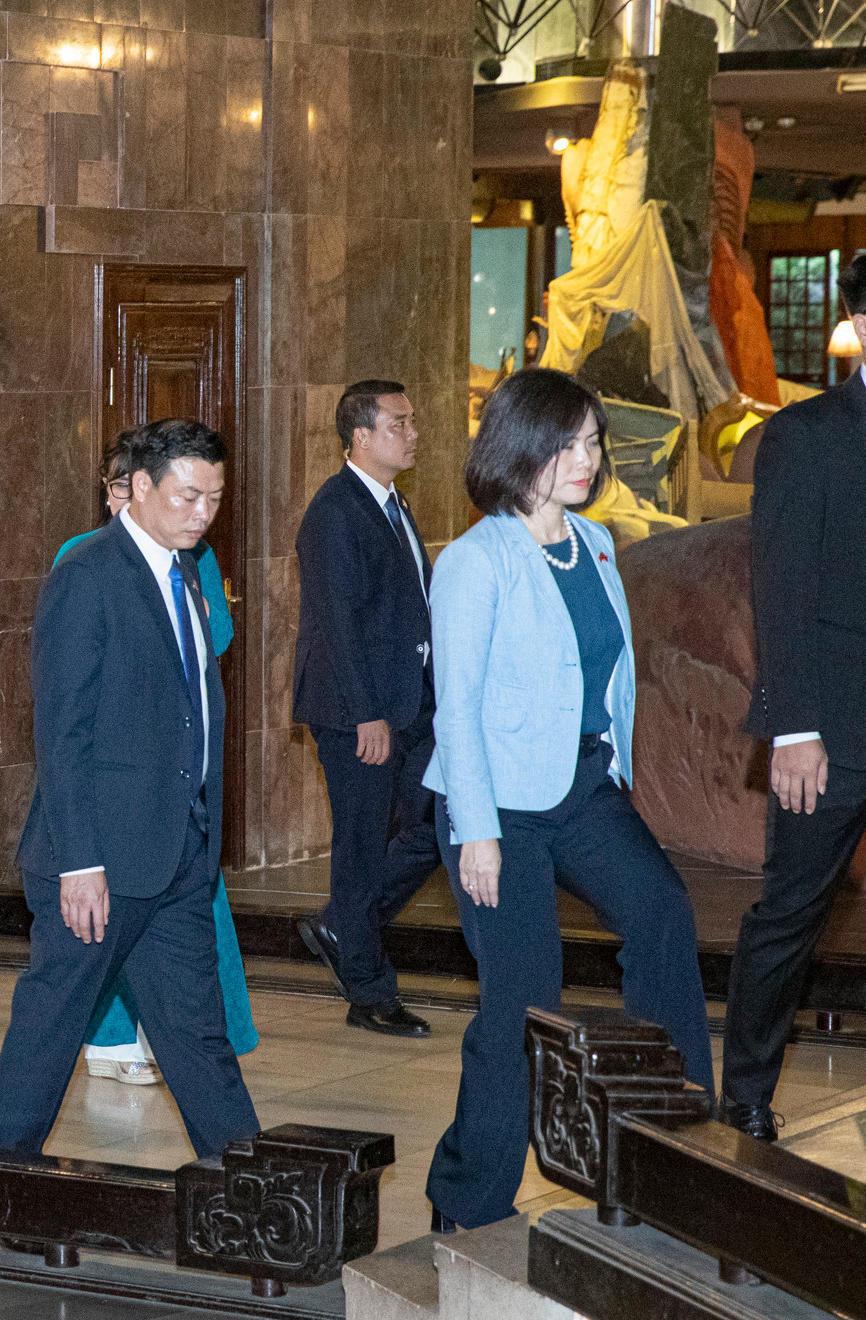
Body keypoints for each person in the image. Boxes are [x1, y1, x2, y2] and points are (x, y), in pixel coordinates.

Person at [422, 368, 711, 1231]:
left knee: (662, 913)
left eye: (592, 443)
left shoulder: (594, 543)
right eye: (568, 444)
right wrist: (476, 831)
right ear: (521, 448)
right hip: (496, 806)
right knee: (522, 996)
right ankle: (467, 1197)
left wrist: (614, 761)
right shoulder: (476, 560)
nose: (586, 460)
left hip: (582, 786)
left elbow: (609, 667)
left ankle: (675, 1145)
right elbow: (457, 708)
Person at [0, 419, 260, 1160]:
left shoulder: (186, 576)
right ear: (138, 489)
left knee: (197, 1034)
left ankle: (249, 1188)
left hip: (174, 855)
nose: (203, 512)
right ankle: (4, 1179)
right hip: (100, 860)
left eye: (215, 498)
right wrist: (80, 861)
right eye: (188, 495)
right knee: (51, 1023)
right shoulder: (90, 574)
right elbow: (62, 730)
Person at [53, 439, 258, 1085]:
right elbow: (66, 716)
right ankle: (106, 1043)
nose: (200, 513)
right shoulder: (83, 563)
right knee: (72, 973)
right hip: (118, 791)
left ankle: (204, 1078)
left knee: (188, 960)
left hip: (179, 791)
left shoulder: (193, 559)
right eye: (113, 489)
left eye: (210, 499)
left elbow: (215, 637)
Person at [722, 255, 866, 1142]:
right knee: (791, 914)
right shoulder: (808, 435)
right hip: (834, 725)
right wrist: (795, 726)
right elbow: (781, 586)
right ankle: (743, 1093)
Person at [292, 381, 440, 1038]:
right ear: (361, 435)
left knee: (436, 823)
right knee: (359, 846)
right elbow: (337, 624)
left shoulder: (392, 504)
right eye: (400, 423)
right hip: (361, 712)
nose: (414, 433)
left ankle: (343, 924)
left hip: (409, 703)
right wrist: (365, 716)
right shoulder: (335, 512)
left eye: (412, 421)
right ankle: (370, 991)